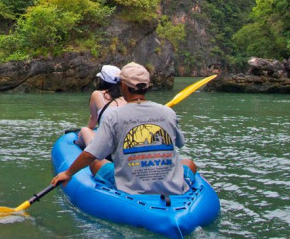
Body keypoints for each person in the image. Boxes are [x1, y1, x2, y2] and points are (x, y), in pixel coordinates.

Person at [52, 62, 197, 196]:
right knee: (188, 163)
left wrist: (68, 173)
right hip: (171, 185)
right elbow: (179, 143)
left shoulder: (113, 116)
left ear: (123, 86)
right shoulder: (168, 113)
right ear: (147, 86)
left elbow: (91, 154)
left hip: (132, 184)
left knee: (97, 163)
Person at [74, 64, 123, 149]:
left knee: (84, 130)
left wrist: (84, 133)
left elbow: (93, 122)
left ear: (102, 80)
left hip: (107, 147)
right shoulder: (126, 97)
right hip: (124, 143)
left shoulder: (97, 94)